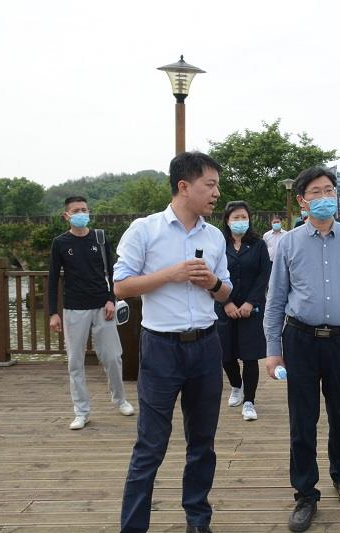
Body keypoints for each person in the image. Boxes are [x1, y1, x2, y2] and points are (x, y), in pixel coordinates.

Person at [114, 151, 232, 533]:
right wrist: (171, 274)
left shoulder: (214, 236)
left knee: (203, 443)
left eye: (217, 185)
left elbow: (226, 292)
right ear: (184, 186)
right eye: (210, 185)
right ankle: (134, 527)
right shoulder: (144, 230)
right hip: (161, 348)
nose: (216, 193)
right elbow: (121, 286)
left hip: (206, 346)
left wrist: (212, 282)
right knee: (151, 444)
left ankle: (198, 521)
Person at [264, 166, 340, 532]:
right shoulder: (289, 243)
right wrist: (273, 349)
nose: (325, 197)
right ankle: (305, 494)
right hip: (299, 339)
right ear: (302, 200)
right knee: (302, 419)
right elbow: (275, 299)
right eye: (316, 191)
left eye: (330, 190)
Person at [48, 195, 134, 430]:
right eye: (76, 210)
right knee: (75, 362)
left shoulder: (100, 238)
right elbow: (53, 279)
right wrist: (53, 313)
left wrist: (111, 300)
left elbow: (113, 273)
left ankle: (120, 400)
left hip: (103, 307)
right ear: (66, 216)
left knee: (113, 357)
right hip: (74, 308)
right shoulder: (60, 243)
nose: (81, 214)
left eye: (84, 210)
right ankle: (81, 411)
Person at [217, 200, 271, 421]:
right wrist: (226, 302)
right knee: (225, 354)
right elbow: (213, 275)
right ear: (227, 221)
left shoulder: (258, 244)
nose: (241, 221)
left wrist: (250, 302)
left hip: (252, 308)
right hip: (224, 306)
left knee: (250, 356)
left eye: (244, 217)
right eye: (236, 218)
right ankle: (236, 385)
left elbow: (264, 275)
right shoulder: (219, 244)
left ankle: (249, 401)